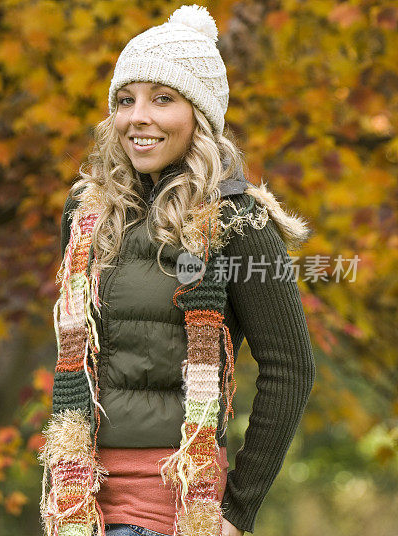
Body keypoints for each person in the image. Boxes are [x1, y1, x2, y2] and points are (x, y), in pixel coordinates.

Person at [39, 5, 315, 536]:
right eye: (126, 100)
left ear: (200, 113)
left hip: (177, 511)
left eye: (161, 98)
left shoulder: (239, 220)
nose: (137, 116)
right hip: (78, 506)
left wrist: (238, 512)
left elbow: (291, 367)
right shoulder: (87, 217)